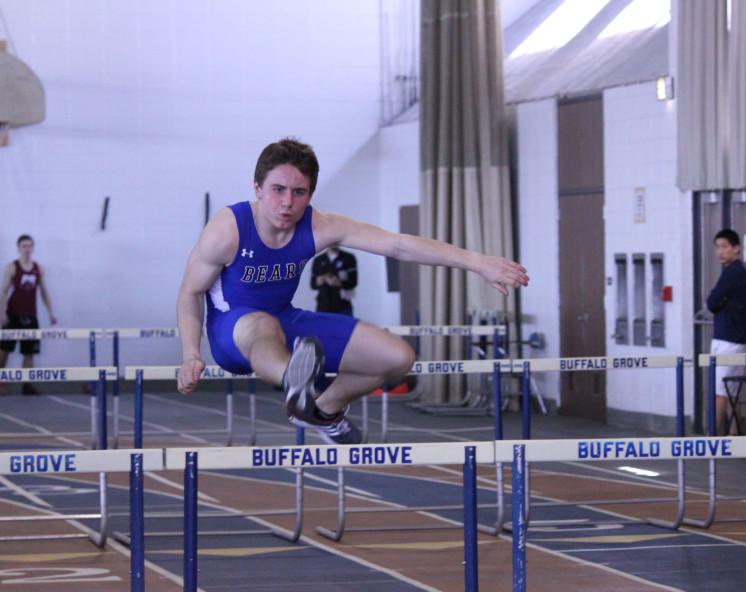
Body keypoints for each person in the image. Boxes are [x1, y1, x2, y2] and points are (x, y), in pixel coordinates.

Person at [175, 138, 528, 444]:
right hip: (231, 329)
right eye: (277, 190)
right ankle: (294, 384)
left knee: (397, 358)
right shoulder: (228, 230)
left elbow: (399, 245)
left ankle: (320, 410)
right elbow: (190, 292)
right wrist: (191, 353)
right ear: (257, 188)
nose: (287, 203)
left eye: (299, 193)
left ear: (310, 194)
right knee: (262, 326)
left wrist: (477, 262)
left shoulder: (318, 226)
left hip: (285, 319)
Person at [0, 234, 58, 395]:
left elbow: (44, 291)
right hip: (13, 315)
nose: (27, 249)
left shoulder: (38, 268)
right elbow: (3, 292)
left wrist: (51, 313)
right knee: (4, 350)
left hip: (31, 316)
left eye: (29, 246)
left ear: (33, 248)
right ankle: (0, 380)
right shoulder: (12, 267)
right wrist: (2, 313)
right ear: (18, 248)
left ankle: (27, 384)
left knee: (30, 352)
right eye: (24, 246)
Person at [706, 228, 746, 435]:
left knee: (720, 392)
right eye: (717, 247)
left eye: (724, 247)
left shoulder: (734, 272)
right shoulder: (732, 271)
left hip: (729, 339)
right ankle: (735, 435)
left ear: (737, 248)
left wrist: (718, 300)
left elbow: (712, 301)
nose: (719, 252)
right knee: (731, 390)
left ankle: (711, 437)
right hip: (729, 336)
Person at [311, 247, 357, 315]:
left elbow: (353, 282)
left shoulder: (349, 258)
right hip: (323, 306)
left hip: (343, 306)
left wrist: (339, 283)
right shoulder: (318, 260)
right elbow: (312, 285)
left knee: (344, 325)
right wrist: (319, 280)